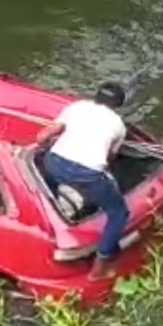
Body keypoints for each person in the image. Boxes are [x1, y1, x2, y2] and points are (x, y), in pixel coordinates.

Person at [35, 82, 130, 280]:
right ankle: (99, 268)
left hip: (55, 164)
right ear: (118, 104)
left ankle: (56, 207)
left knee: (49, 177)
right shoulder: (118, 125)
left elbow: (43, 136)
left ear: (95, 97)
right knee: (119, 212)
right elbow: (110, 157)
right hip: (87, 174)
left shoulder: (76, 107)